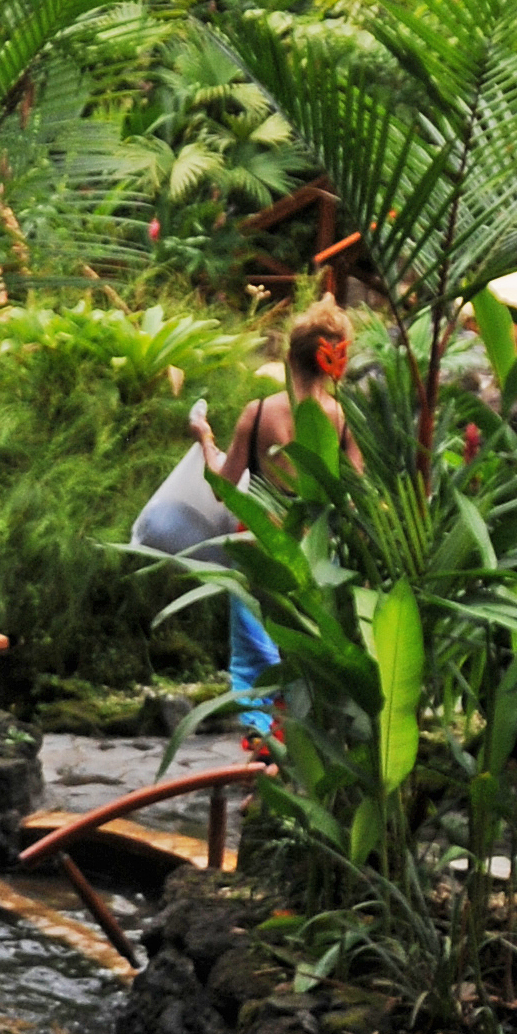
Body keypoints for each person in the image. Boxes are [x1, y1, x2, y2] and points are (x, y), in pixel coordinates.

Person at [189, 299, 355, 739]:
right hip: (317, 558)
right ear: (334, 359)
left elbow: (222, 490)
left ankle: (264, 762)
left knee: (255, 662)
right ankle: (299, 763)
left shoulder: (258, 413)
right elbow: (358, 497)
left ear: (288, 356)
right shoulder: (342, 419)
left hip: (261, 549)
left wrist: (205, 439)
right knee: (304, 659)